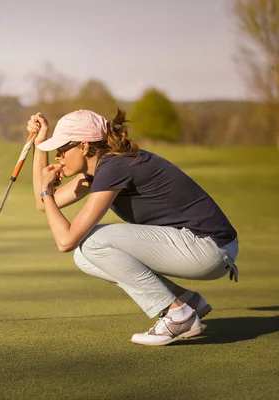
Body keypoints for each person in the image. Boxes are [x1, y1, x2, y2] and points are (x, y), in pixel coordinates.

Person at [27, 109, 238, 346]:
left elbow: (65, 240)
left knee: (92, 242)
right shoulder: (102, 168)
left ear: (84, 146)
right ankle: (186, 300)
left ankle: (178, 315)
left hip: (208, 248)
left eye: (62, 150)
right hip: (201, 247)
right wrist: (40, 143)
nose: (58, 157)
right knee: (85, 257)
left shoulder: (114, 167)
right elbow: (42, 202)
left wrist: (47, 191)